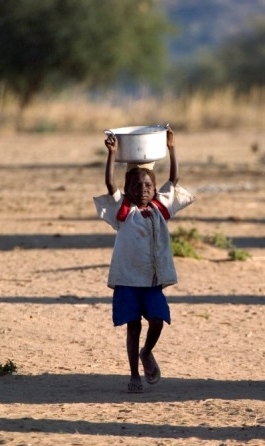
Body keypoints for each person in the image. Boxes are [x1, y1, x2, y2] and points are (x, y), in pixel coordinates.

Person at [93, 126, 195, 393]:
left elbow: (173, 180)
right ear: (127, 188)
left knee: (158, 320)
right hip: (128, 279)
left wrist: (171, 148)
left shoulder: (160, 208)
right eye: (136, 185)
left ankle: (146, 352)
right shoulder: (123, 210)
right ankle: (134, 375)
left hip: (152, 280)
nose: (143, 189)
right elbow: (109, 185)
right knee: (133, 326)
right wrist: (112, 154)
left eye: (148, 185)